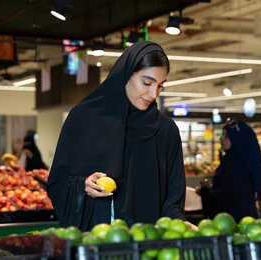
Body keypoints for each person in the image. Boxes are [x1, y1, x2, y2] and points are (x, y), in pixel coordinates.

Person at [47, 41, 194, 231]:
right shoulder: (83, 119)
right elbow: (58, 182)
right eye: (147, 82)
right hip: (96, 241)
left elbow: (172, 198)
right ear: (126, 74)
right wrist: (82, 186)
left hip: (147, 243)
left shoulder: (166, 130)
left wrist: (178, 222)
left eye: (160, 86)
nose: (153, 93)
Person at [197, 119, 261, 222]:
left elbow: (225, 200)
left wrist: (205, 191)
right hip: (246, 220)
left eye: (226, 136)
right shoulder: (245, 161)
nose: (221, 139)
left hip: (231, 222)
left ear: (237, 139)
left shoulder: (233, 165)